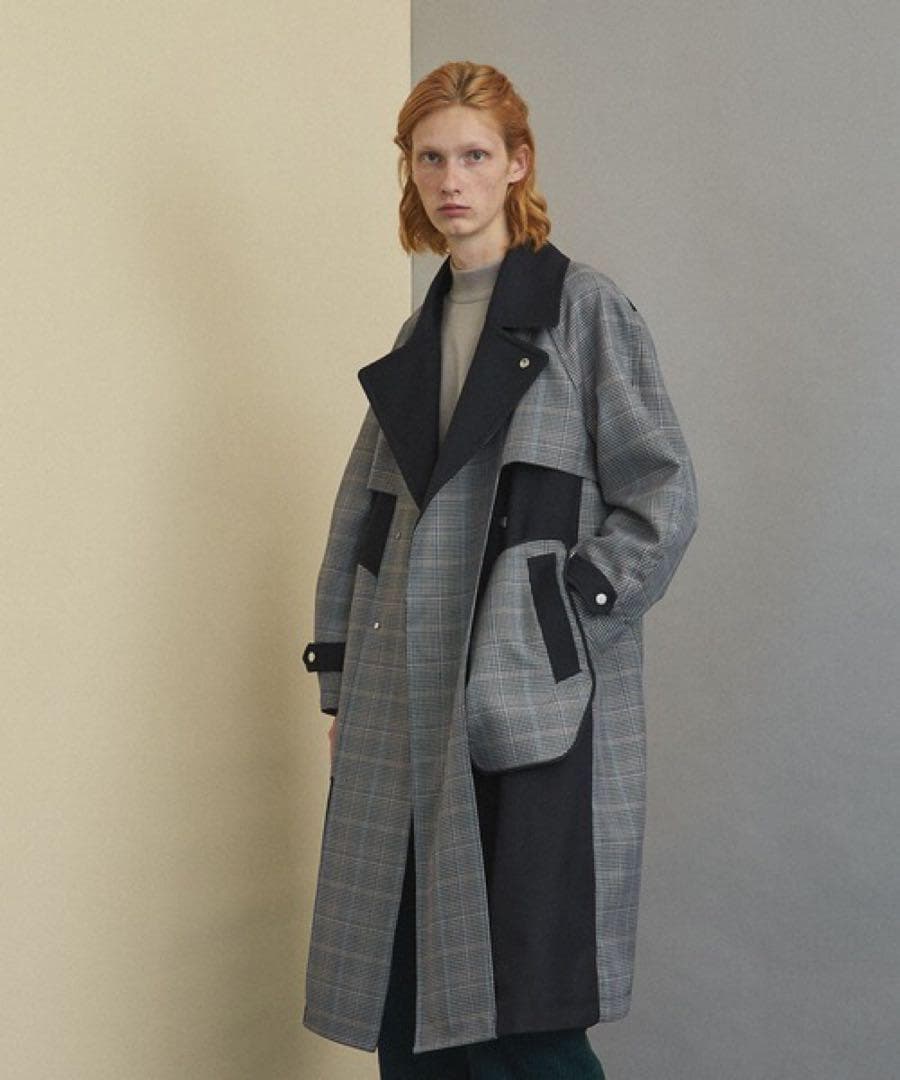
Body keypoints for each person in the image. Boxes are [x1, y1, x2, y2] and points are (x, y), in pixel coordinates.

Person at [301, 60, 699, 1078]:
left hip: (526, 705)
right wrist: (345, 686)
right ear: (409, 170)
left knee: (524, 1017)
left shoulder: (584, 311)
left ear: (518, 164)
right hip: (405, 701)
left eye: (475, 155)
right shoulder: (418, 332)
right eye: (430, 158)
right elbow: (365, 522)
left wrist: (556, 624)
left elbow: (661, 496)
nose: (452, 181)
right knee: (410, 1007)